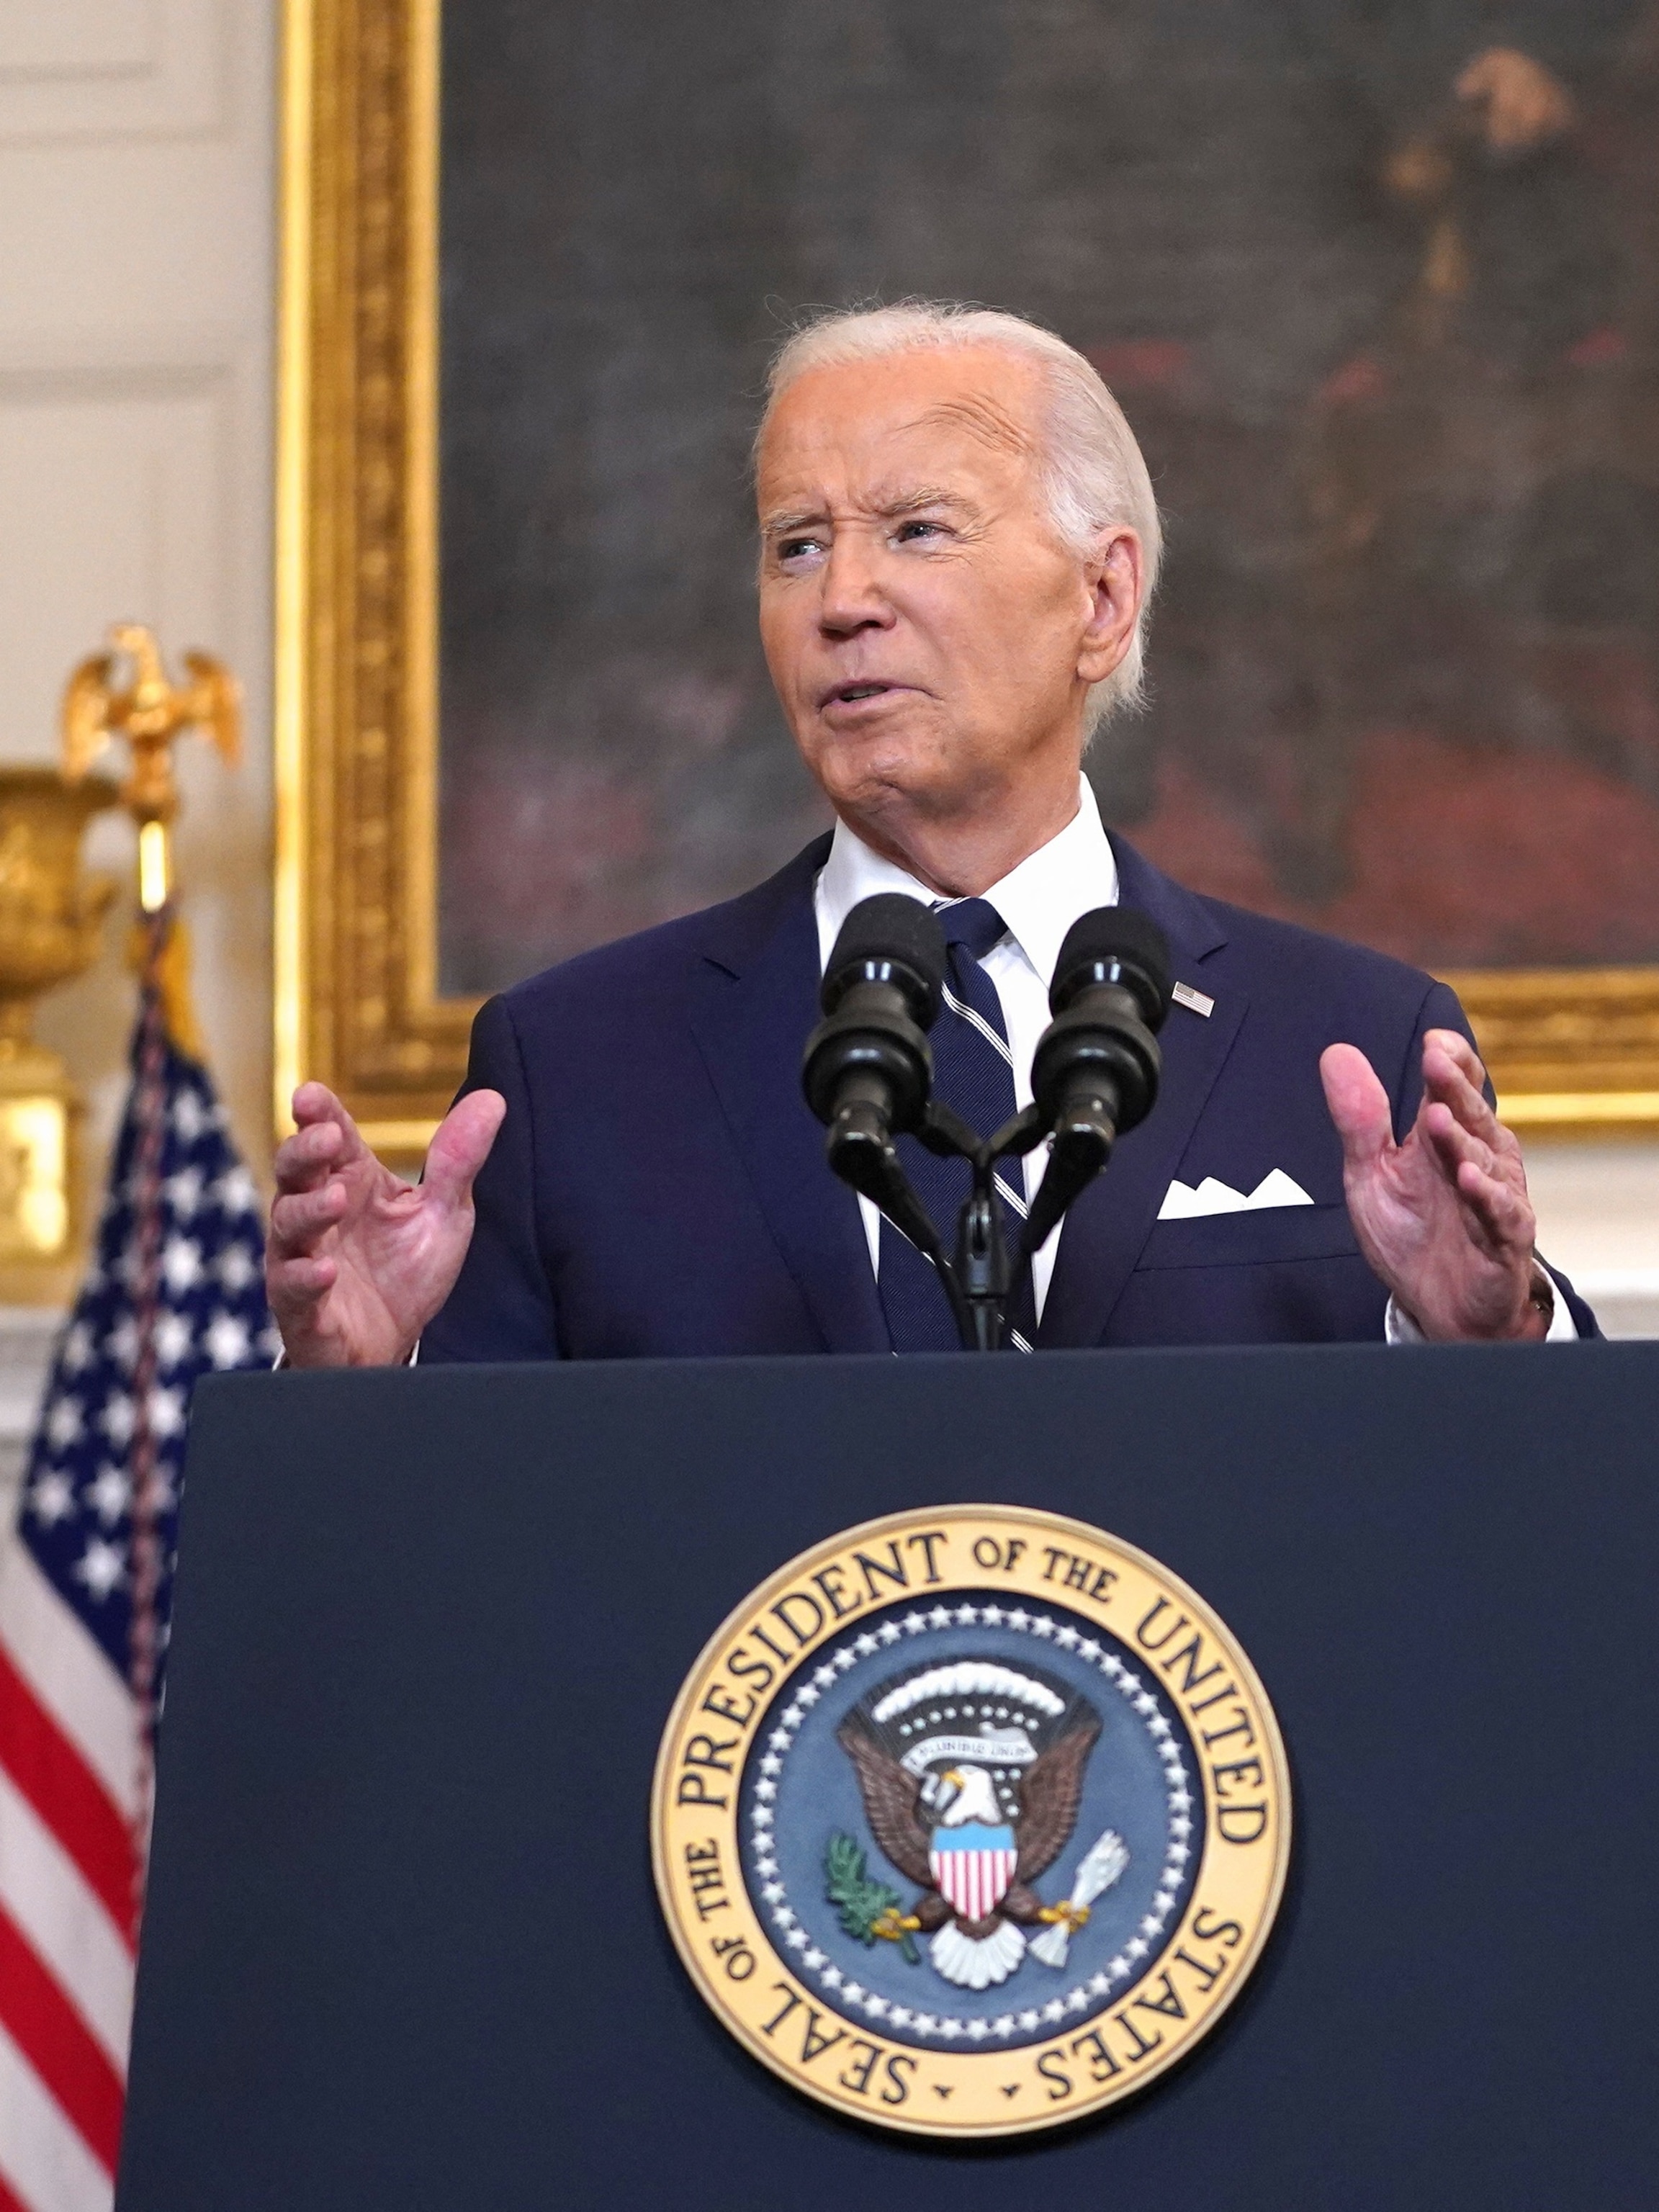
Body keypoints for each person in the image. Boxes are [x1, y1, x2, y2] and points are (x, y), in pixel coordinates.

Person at [266, 302, 1594, 1367]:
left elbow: (1508, 1577)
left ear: (1102, 598)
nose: (843, 598)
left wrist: (1496, 1337)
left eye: (916, 531)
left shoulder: (1346, 1040)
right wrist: (352, 1396)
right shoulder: (574, 1071)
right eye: (795, 547)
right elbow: (460, 1587)